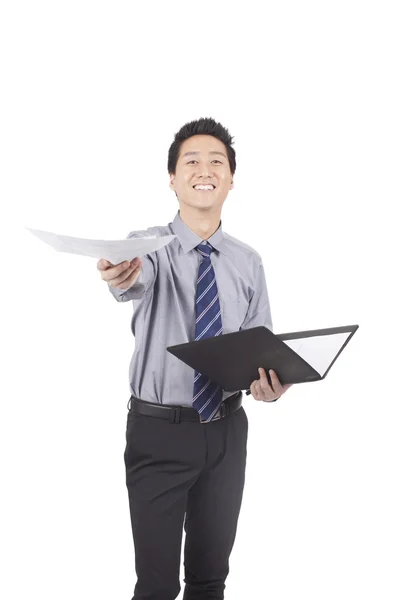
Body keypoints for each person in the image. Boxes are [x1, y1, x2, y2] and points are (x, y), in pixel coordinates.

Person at [97, 117, 292, 600]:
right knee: (158, 587)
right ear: (172, 178)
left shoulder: (249, 261)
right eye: (191, 161)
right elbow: (131, 279)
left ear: (229, 179)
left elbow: (257, 349)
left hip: (226, 431)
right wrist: (120, 274)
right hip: (159, 433)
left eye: (216, 162)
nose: (204, 170)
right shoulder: (148, 247)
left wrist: (268, 382)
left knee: (210, 581)